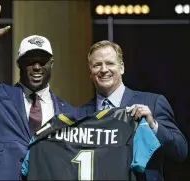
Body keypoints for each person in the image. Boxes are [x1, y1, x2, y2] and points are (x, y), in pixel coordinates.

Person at [0, 2, 75, 180]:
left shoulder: (68, 112)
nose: (36, 66)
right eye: (29, 61)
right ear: (19, 64)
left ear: (51, 65)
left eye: (42, 61)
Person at [78, 40, 188, 180]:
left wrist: (153, 126)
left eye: (110, 63)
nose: (104, 69)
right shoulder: (81, 115)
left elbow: (180, 152)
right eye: (97, 65)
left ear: (122, 68)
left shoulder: (153, 103)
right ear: (90, 72)